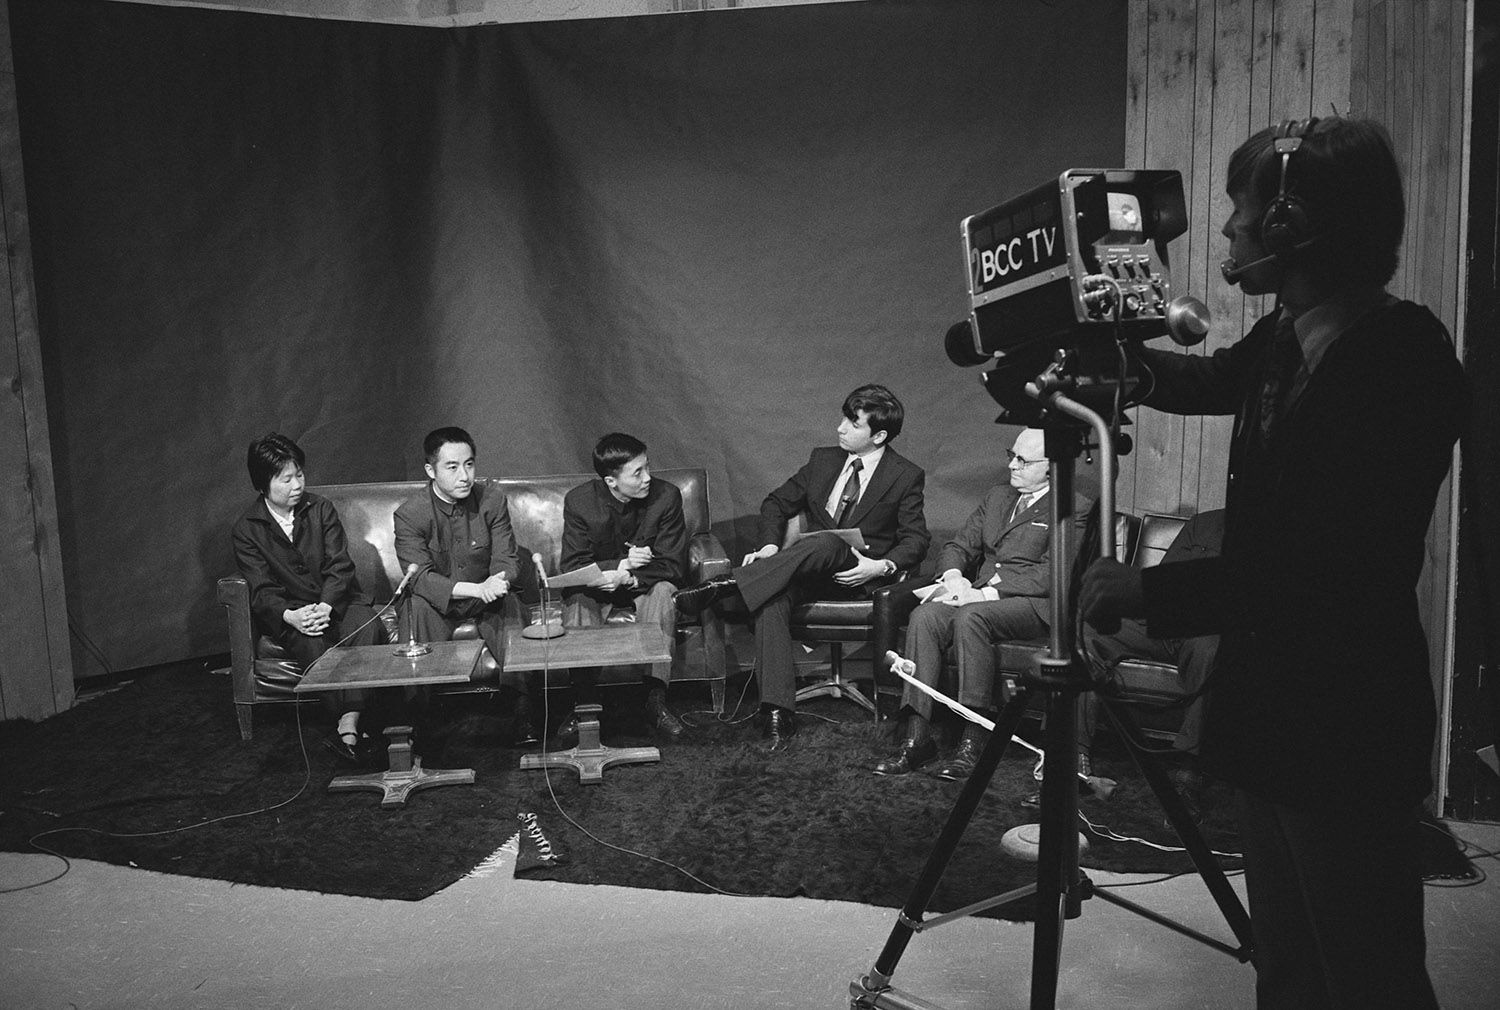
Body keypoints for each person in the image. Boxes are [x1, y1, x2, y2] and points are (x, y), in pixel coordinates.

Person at [1079, 117, 1466, 1009]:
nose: (1226, 233)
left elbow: (1327, 568)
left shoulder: (1401, 356)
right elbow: (1211, 379)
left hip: (1345, 715)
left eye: (1240, 212)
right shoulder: (1290, 336)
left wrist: (1150, 588)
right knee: (1288, 967)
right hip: (1270, 704)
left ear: (1291, 226)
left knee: (1365, 969)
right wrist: (1124, 368)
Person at [676, 383, 929, 749]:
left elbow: (916, 540)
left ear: (879, 436)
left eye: (853, 424)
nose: (840, 428)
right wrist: (767, 546)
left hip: (857, 574)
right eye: (843, 418)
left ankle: (727, 585)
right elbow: (775, 503)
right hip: (806, 570)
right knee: (771, 598)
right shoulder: (823, 460)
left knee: (828, 540)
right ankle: (779, 713)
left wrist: (881, 566)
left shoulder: (905, 475)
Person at [874, 427, 1091, 781]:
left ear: (1051, 466)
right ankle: (917, 738)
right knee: (926, 615)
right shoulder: (997, 497)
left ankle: (973, 741)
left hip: (1032, 603)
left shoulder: (1074, 507)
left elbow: (1052, 575)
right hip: (978, 595)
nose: (1012, 466)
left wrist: (982, 593)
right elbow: (959, 546)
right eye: (1012, 455)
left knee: (971, 617)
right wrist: (955, 576)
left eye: (1023, 460)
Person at [231, 432, 380, 761]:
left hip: (338, 601)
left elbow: (340, 565)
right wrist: (290, 616)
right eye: (286, 479)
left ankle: (348, 725)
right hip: (293, 613)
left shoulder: (321, 509)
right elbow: (261, 588)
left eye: (299, 474)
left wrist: (327, 605)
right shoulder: (247, 529)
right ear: (263, 484)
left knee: (368, 627)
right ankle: (355, 723)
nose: (297, 484)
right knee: (312, 643)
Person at [1065, 509, 1224, 816]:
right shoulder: (1203, 523)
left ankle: (1189, 772)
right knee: (1089, 630)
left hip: (1205, 632)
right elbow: (1163, 577)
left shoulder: (1258, 535)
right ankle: (1076, 754)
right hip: (1165, 622)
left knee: (1212, 648)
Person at [393, 426, 529, 738]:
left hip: (487, 599)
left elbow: (507, 559)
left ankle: (524, 711)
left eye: (469, 464)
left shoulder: (492, 502)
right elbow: (421, 578)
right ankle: (418, 724)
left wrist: (497, 581)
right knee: (416, 610)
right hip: (437, 602)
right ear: (431, 470)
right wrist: (475, 589)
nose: (464, 476)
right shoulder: (410, 514)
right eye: (452, 467)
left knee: (510, 607)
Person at [558, 432, 689, 741]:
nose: (647, 478)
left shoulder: (667, 496)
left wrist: (631, 578)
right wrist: (620, 566)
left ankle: (654, 700)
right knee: (576, 600)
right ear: (611, 481)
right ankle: (584, 704)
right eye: (637, 473)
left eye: (647, 468)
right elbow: (573, 565)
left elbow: (673, 563)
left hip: (645, 584)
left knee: (664, 593)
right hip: (597, 588)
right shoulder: (579, 502)